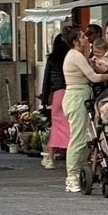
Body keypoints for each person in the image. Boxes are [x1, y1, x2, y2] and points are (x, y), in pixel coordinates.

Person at [61, 26, 108, 193]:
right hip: (76, 97)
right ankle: (71, 177)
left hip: (81, 96)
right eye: (83, 36)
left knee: (87, 136)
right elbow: (93, 77)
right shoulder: (75, 56)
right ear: (75, 41)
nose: (87, 38)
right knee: (78, 138)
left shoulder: (80, 56)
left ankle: (78, 171)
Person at [40, 33, 69, 170]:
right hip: (71, 91)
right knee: (71, 125)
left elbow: (46, 79)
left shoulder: (52, 59)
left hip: (57, 92)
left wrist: (45, 97)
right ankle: (70, 154)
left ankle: (50, 158)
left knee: (57, 125)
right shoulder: (72, 57)